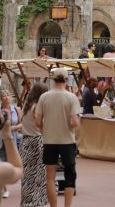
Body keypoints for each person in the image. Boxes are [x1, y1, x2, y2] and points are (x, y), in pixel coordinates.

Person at [35, 67, 80, 207]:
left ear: (53, 79)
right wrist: (75, 125)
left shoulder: (44, 97)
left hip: (49, 141)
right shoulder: (71, 97)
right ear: (66, 80)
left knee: (50, 177)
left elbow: (37, 121)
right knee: (70, 175)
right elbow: (74, 121)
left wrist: (45, 130)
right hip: (67, 141)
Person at [20, 82, 48, 207]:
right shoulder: (38, 107)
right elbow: (41, 123)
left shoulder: (27, 104)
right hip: (37, 140)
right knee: (39, 174)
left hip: (25, 141)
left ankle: (26, 202)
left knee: (27, 175)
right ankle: (37, 202)